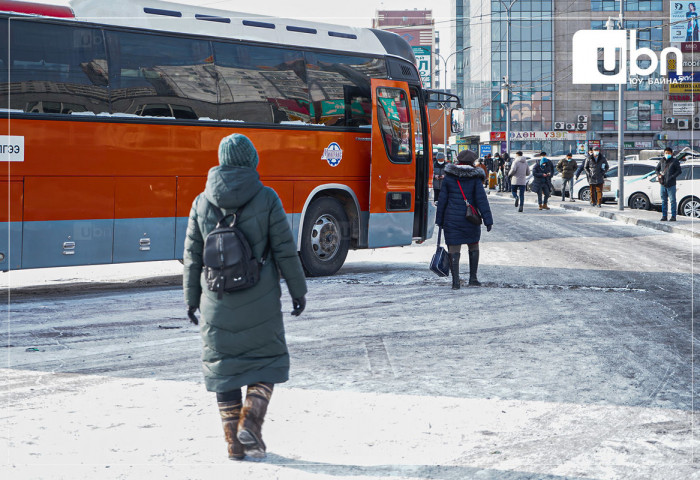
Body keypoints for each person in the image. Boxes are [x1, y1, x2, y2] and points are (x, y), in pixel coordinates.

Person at [183, 133, 308, 461]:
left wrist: (191, 299)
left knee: (223, 368)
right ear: (251, 160)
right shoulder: (267, 198)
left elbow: (193, 256)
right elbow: (284, 250)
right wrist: (298, 290)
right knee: (267, 361)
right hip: (260, 299)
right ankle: (250, 423)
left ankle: (233, 444)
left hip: (216, 299)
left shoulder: (201, 201)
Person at [436, 149, 494, 290]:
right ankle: (473, 278)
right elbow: (482, 201)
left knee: (453, 247)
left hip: (451, 219)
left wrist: (440, 220)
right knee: (473, 245)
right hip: (471, 219)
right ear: (472, 162)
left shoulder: (448, 177)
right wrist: (488, 219)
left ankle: (455, 282)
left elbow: (442, 200)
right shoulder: (475, 179)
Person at [655, 147, 682, 221]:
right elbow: (656, 169)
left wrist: (673, 176)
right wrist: (658, 175)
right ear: (664, 153)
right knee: (664, 201)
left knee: (672, 201)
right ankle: (664, 216)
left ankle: (673, 216)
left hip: (671, 184)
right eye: (666, 153)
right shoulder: (662, 161)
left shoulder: (674, 161)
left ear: (672, 153)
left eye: (668, 153)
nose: (667, 154)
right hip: (663, 184)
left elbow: (679, 171)